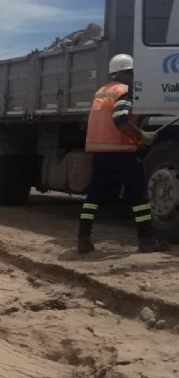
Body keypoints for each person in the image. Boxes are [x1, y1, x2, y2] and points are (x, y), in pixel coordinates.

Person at [77, 54, 168, 254]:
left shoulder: (102, 92)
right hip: (122, 153)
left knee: (93, 197)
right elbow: (120, 119)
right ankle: (146, 240)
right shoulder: (124, 91)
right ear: (121, 74)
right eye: (130, 73)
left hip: (100, 153)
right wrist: (142, 135)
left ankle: (83, 239)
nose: (132, 77)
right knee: (139, 198)